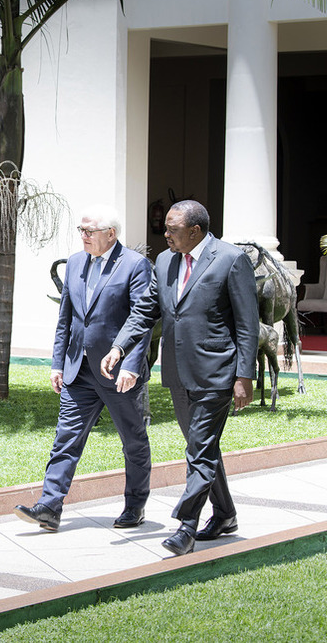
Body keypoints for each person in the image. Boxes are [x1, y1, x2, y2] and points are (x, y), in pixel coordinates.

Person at [101, 199, 258, 556]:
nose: (165, 233)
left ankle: (186, 526)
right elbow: (146, 310)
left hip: (217, 372)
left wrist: (243, 376)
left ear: (195, 231)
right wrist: (119, 347)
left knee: (198, 450)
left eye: (172, 229)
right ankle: (226, 515)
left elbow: (248, 324)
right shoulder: (166, 261)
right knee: (203, 448)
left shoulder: (231, 260)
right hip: (177, 373)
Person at [14, 205, 153, 532]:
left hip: (118, 373)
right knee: (66, 439)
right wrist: (57, 363)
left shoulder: (135, 266)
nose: (83, 236)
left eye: (89, 231)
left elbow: (142, 320)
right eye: (81, 230)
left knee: (133, 441)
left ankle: (135, 505)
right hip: (79, 371)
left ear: (111, 234)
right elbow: (66, 319)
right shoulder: (75, 263)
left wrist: (130, 365)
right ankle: (49, 506)